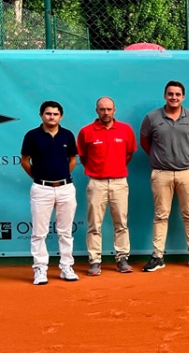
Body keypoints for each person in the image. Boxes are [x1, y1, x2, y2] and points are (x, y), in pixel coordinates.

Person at [139, 81, 189, 271]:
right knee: (161, 215)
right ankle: (157, 256)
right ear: (165, 96)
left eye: (178, 94)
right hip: (161, 173)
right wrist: (159, 158)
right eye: (170, 94)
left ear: (183, 97)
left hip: (188, 173)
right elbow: (145, 142)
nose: (174, 97)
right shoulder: (152, 118)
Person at [77, 97, 138, 276]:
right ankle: (95, 260)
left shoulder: (126, 130)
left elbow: (128, 155)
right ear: (97, 110)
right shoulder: (86, 132)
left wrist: (115, 169)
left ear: (114, 110)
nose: (106, 113)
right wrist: (99, 172)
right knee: (94, 224)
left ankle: (122, 258)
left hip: (119, 182)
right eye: (102, 109)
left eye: (109, 109)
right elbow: (84, 158)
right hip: (96, 183)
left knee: (121, 223)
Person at [20, 101, 79, 285]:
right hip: (41, 189)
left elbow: (72, 160)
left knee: (66, 232)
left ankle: (66, 267)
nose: (51, 117)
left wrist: (62, 177)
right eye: (48, 113)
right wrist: (39, 178)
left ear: (60, 116)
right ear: (41, 115)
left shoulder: (67, 135)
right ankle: (40, 269)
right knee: (39, 233)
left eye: (55, 114)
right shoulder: (32, 136)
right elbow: (25, 160)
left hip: (65, 188)